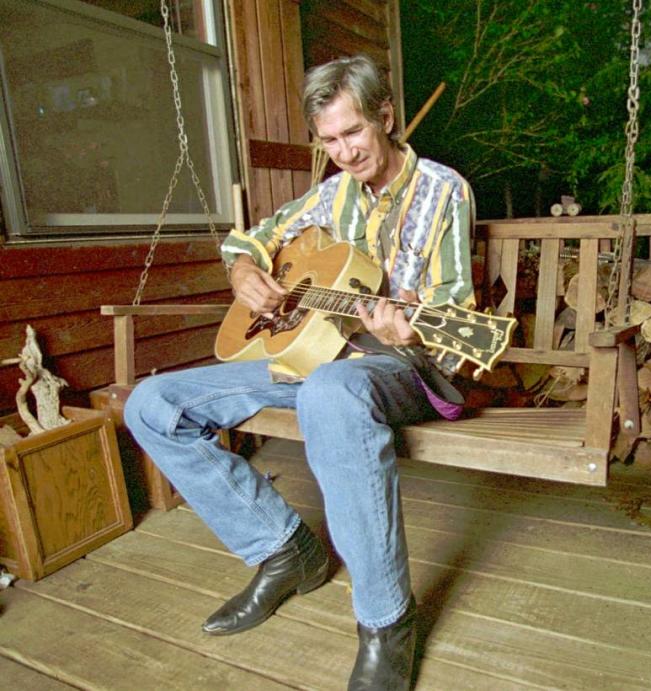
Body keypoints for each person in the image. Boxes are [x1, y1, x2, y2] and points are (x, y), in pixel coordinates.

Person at [124, 54, 475, 691]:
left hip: (399, 367)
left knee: (332, 392)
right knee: (152, 404)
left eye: (354, 133)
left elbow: (454, 318)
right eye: (329, 140)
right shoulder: (327, 197)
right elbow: (248, 241)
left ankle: (386, 619)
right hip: (309, 354)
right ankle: (284, 550)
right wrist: (244, 274)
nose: (343, 152)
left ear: (385, 117)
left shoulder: (443, 190)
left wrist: (412, 331)